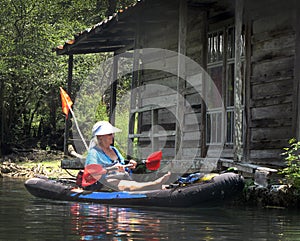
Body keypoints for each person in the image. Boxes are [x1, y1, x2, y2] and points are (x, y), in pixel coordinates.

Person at [83, 121, 171, 191]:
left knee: (126, 181)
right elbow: (92, 173)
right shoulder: (94, 153)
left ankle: (153, 186)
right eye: (110, 134)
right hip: (104, 183)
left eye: (112, 133)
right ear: (100, 137)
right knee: (124, 184)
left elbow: (123, 166)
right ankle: (155, 184)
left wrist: (130, 165)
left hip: (121, 178)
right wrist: (112, 168)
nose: (113, 136)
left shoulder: (114, 150)